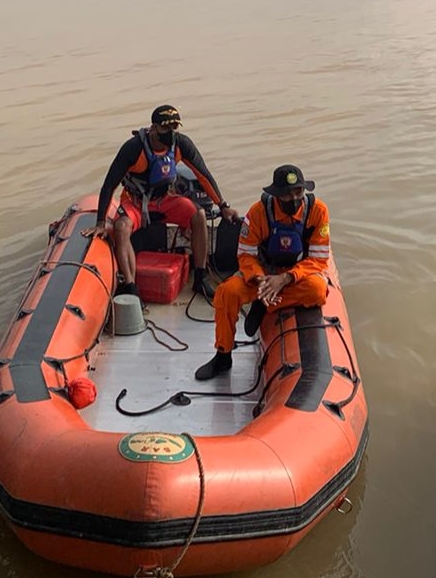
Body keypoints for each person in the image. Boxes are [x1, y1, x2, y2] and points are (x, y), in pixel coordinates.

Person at [195, 165, 332, 381]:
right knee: (226, 292)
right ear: (276, 195)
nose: (294, 198)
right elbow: (246, 254)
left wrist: (286, 278)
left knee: (317, 290)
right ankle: (223, 355)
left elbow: (318, 259)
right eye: (287, 194)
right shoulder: (258, 212)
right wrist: (260, 280)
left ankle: (263, 304)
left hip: (295, 275)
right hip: (263, 274)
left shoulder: (318, 211)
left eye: (298, 192)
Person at [87, 106, 240, 299]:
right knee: (121, 227)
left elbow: (203, 176)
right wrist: (101, 222)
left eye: (175, 127)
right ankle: (131, 286)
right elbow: (109, 185)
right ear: (153, 128)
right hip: (136, 201)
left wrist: (223, 205)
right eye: (166, 128)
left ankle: (200, 279)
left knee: (199, 215)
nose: (171, 133)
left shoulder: (181, 144)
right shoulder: (133, 148)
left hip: (166, 199)